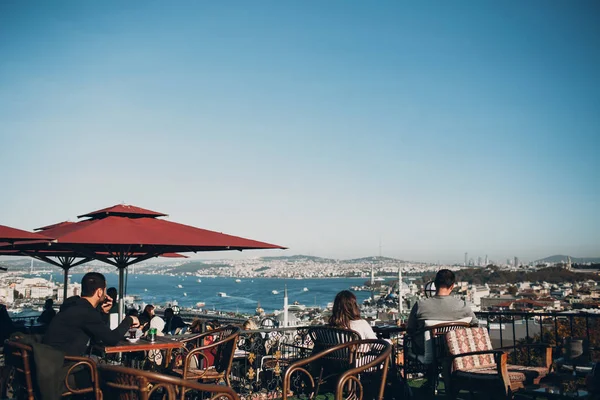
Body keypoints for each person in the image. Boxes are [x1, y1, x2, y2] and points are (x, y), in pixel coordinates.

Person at [43, 272, 139, 356]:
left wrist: (104, 312)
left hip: (50, 362)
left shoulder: (73, 304)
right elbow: (111, 339)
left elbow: (98, 335)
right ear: (99, 292)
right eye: (105, 290)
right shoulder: (86, 311)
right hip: (66, 368)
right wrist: (129, 319)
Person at [406, 269, 478, 355]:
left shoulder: (421, 305)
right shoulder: (462, 305)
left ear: (435, 284)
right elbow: (475, 324)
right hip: (456, 351)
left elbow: (410, 329)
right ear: (452, 286)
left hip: (427, 352)